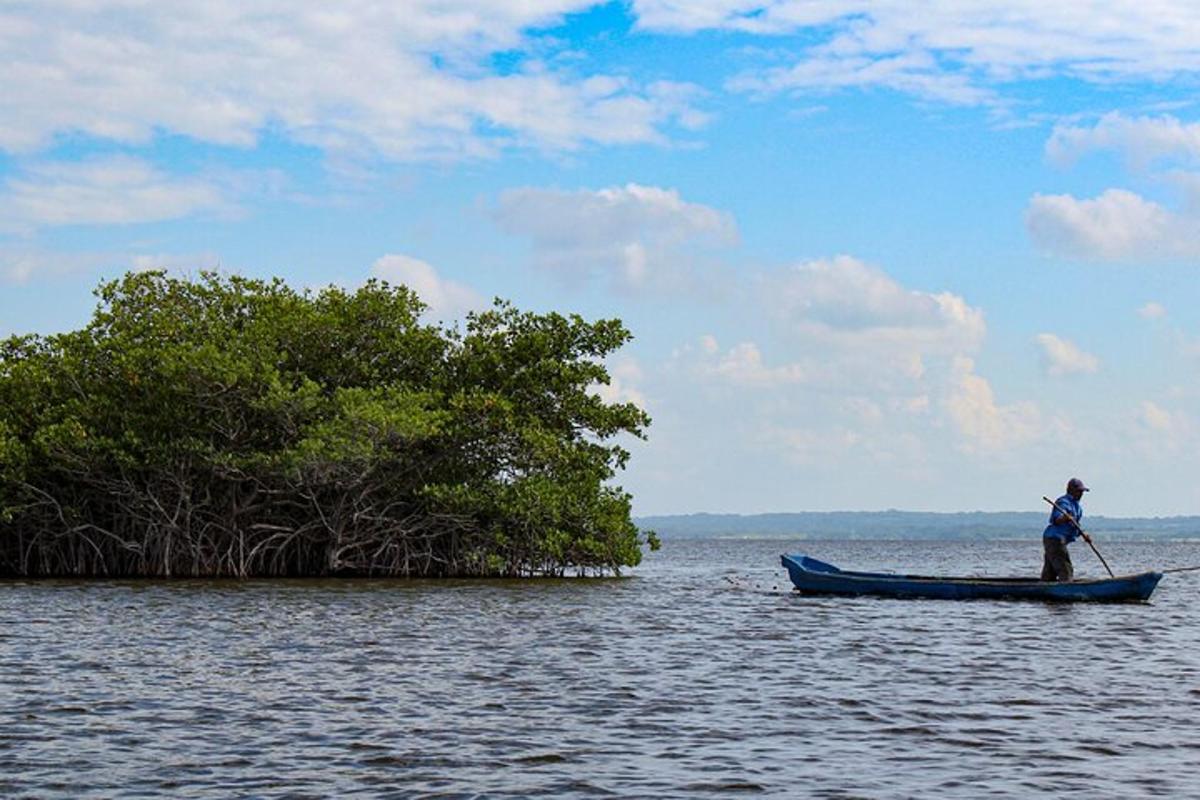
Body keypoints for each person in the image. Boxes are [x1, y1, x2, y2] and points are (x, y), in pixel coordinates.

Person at [1042, 477, 1092, 582]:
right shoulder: (1063, 502)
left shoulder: (1077, 507)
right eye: (1079, 491)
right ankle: (1067, 586)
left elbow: (1075, 525)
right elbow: (1056, 519)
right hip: (1054, 539)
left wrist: (1084, 535)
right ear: (1071, 490)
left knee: (1050, 570)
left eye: (1082, 492)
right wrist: (1064, 518)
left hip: (1059, 540)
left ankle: (1043, 588)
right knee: (1065, 568)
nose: (1081, 494)